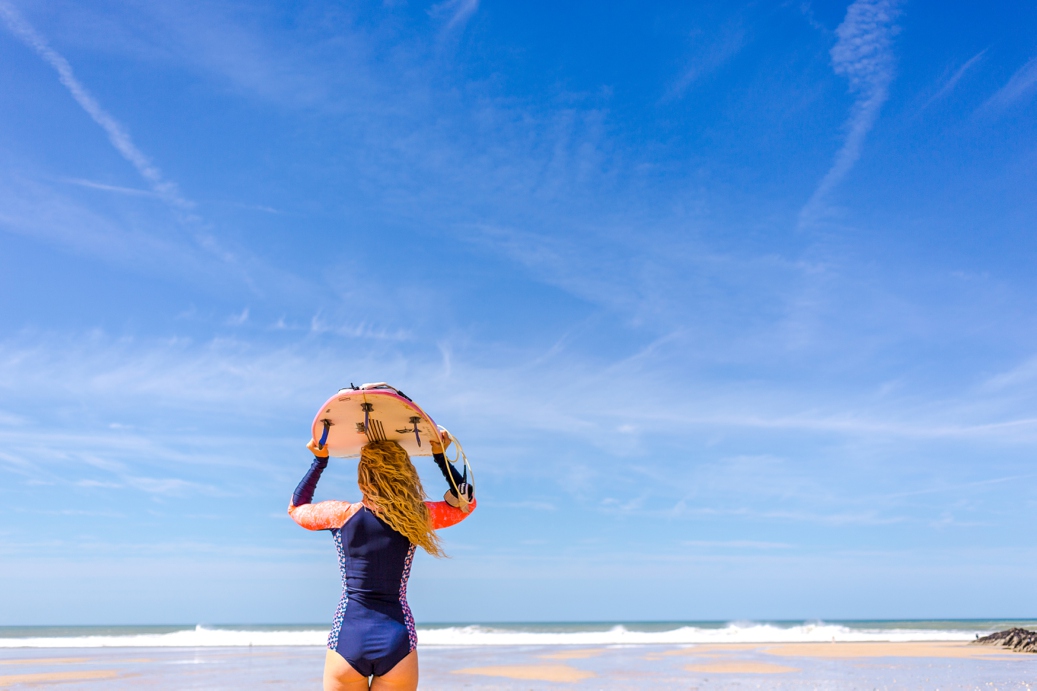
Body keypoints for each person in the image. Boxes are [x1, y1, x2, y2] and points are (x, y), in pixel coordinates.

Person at [289, 429, 475, 691]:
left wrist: (319, 460)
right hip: (396, 639)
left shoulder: (341, 515)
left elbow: (297, 508)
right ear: (406, 475)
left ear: (362, 477)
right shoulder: (416, 517)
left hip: (348, 637)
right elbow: (466, 504)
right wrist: (439, 455)